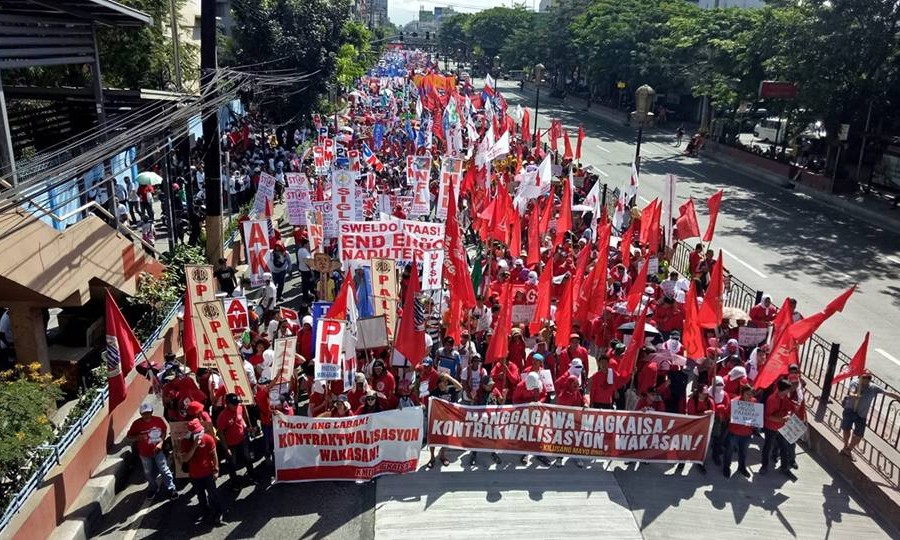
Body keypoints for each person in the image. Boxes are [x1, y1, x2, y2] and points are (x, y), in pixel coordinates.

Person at [839, 370, 900, 459]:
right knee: (846, 428)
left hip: (861, 415)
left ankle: (848, 449)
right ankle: (845, 446)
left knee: (859, 435)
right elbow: (852, 390)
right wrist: (853, 395)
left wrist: (898, 397)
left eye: (869, 378)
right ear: (860, 378)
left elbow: (887, 393)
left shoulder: (873, 388)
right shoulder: (855, 383)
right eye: (865, 377)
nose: (867, 379)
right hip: (850, 410)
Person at [126, 402, 177, 500]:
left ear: (152, 412)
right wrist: (138, 437)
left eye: (148, 412)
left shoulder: (158, 420)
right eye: (144, 413)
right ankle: (153, 488)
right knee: (148, 473)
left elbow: (163, 432)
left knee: (164, 470)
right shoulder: (136, 424)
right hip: (144, 454)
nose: (146, 415)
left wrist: (160, 443)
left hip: (158, 451)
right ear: (141, 414)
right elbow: (129, 436)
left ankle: (171, 488)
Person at [181, 418, 223, 525]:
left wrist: (216, 470)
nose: (199, 434)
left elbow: (214, 455)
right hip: (195, 475)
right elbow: (185, 459)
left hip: (208, 473)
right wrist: (194, 446)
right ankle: (205, 511)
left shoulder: (208, 438)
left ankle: (218, 513)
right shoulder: (185, 442)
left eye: (200, 431)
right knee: (201, 496)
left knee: (213, 495)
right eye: (196, 433)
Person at [216, 393, 259, 488]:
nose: (236, 405)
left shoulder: (239, 407)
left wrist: (247, 428)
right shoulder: (222, 417)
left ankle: (252, 476)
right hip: (231, 445)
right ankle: (235, 483)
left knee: (248, 458)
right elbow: (220, 434)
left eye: (237, 403)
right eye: (234, 404)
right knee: (232, 464)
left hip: (243, 440)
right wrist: (226, 449)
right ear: (227, 403)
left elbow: (241, 420)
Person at [760, 379, 796, 479]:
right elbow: (767, 416)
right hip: (771, 427)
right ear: (783, 390)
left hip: (781, 427)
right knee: (768, 447)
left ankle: (784, 467)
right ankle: (764, 466)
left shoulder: (784, 397)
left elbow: (788, 407)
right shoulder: (772, 400)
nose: (789, 392)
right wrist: (781, 419)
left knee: (784, 448)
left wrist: (789, 413)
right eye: (788, 390)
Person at [425, 374, 463, 468]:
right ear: (438, 383)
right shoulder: (434, 392)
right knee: (433, 438)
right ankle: (432, 457)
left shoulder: (451, 389)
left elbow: (460, 387)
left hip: (448, 418)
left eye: (445, 382)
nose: (443, 384)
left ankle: (442, 455)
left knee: (446, 438)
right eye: (441, 382)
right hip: (436, 418)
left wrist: (448, 377)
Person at [723, 384, 755, 479]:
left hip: (747, 433)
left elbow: (756, 417)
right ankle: (726, 467)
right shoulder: (734, 402)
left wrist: (753, 423)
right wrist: (734, 417)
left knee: (743, 452)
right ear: (742, 394)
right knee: (729, 451)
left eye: (751, 394)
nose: (749, 396)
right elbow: (727, 414)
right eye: (747, 394)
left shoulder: (754, 403)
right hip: (734, 432)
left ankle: (741, 467)